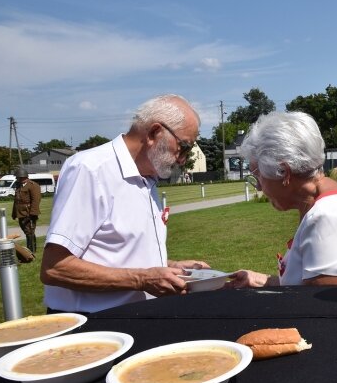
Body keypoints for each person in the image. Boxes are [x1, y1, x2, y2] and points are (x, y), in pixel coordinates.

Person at [40, 94, 210, 314]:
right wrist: (141, 279)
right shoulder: (91, 170)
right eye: (183, 146)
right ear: (154, 133)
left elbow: (115, 252)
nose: (182, 159)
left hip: (135, 317)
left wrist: (170, 266)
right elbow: (55, 268)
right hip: (92, 326)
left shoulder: (147, 178)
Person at [229, 111, 337, 287]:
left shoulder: (327, 217)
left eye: (258, 176)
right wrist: (259, 280)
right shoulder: (328, 200)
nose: (259, 187)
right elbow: (304, 286)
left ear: (284, 172)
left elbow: (316, 308)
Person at [11, 167, 41, 254]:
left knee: (29, 231)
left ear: (22, 177)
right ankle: (31, 249)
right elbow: (16, 201)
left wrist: (32, 214)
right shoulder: (19, 186)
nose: (16, 179)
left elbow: (36, 200)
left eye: (17, 177)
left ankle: (31, 250)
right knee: (28, 231)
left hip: (28, 213)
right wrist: (14, 213)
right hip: (21, 213)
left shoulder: (33, 185)